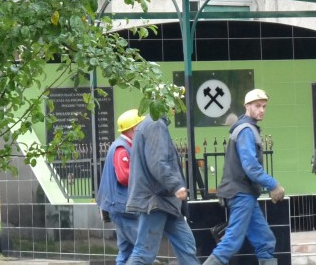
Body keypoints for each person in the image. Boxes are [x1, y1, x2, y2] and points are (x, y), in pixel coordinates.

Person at [202, 89, 286, 265]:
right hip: (241, 193)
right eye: (257, 106)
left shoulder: (246, 128)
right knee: (231, 242)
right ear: (247, 106)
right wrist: (273, 185)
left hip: (244, 193)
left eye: (264, 106)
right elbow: (251, 167)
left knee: (265, 240)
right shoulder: (246, 130)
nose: (262, 110)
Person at [124, 109, 199, 265]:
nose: (176, 107)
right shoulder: (155, 123)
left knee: (187, 245)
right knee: (144, 254)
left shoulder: (152, 123)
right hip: (157, 200)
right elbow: (158, 162)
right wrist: (176, 185)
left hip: (166, 201)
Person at [97, 109, 146, 265]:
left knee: (126, 252)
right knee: (143, 248)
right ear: (133, 129)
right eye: (140, 125)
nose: (142, 129)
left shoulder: (123, 145)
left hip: (121, 206)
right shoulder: (121, 148)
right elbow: (124, 176)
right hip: (123, 207)